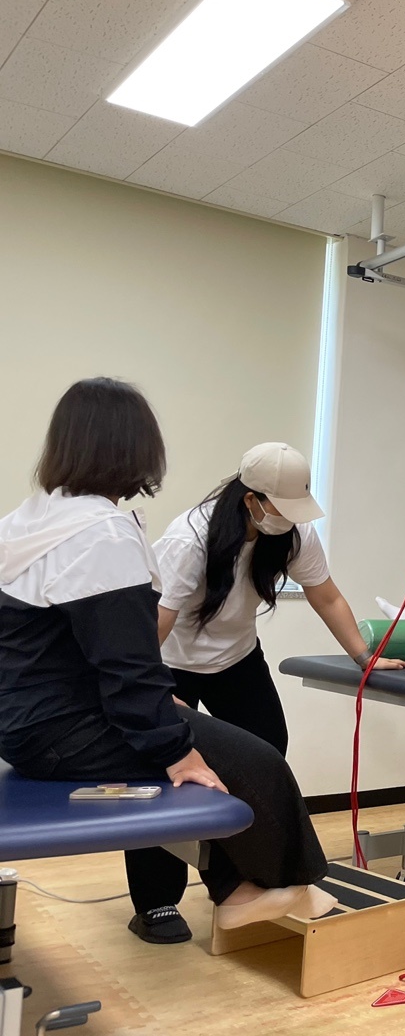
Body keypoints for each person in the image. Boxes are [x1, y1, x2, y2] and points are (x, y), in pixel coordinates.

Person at [0, 378, 334, 937]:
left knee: (232, 748)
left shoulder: (31, 520)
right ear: (137, 450)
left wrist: (164, 714)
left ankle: (235, 888)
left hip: (28, 722)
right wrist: (174, 749)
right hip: (63, 729)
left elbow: (67, 648)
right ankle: (257, 890)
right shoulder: (103, 532)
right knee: (255, 767)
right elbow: (126, 664)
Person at [121, 442, 405, 944]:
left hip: (237, 661)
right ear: (250, 499)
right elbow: (154, 625)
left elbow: (326, 595)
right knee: (163, 772)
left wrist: (365, 656)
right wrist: (154, 692)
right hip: (170, 665)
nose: (290, 518)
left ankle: (243, 882)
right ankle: (155, 902)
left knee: (264, 757)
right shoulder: (190, 540)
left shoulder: (292, 533)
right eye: (281, 506)